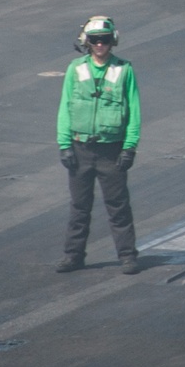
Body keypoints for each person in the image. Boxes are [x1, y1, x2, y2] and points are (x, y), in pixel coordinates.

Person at [55, 16, 142, 275]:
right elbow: (65, 108)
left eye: (104, 40)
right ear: (87, 42)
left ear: (112, 41)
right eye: (95, 40)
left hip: (111, 151)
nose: (100, 45)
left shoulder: (124, 70)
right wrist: (64, 145)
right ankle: (73, 256)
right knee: (79, 207)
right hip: (79, 148)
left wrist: (129, 147)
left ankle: (127, 256)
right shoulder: (75, 68)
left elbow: (134, 111)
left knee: (118, 206)